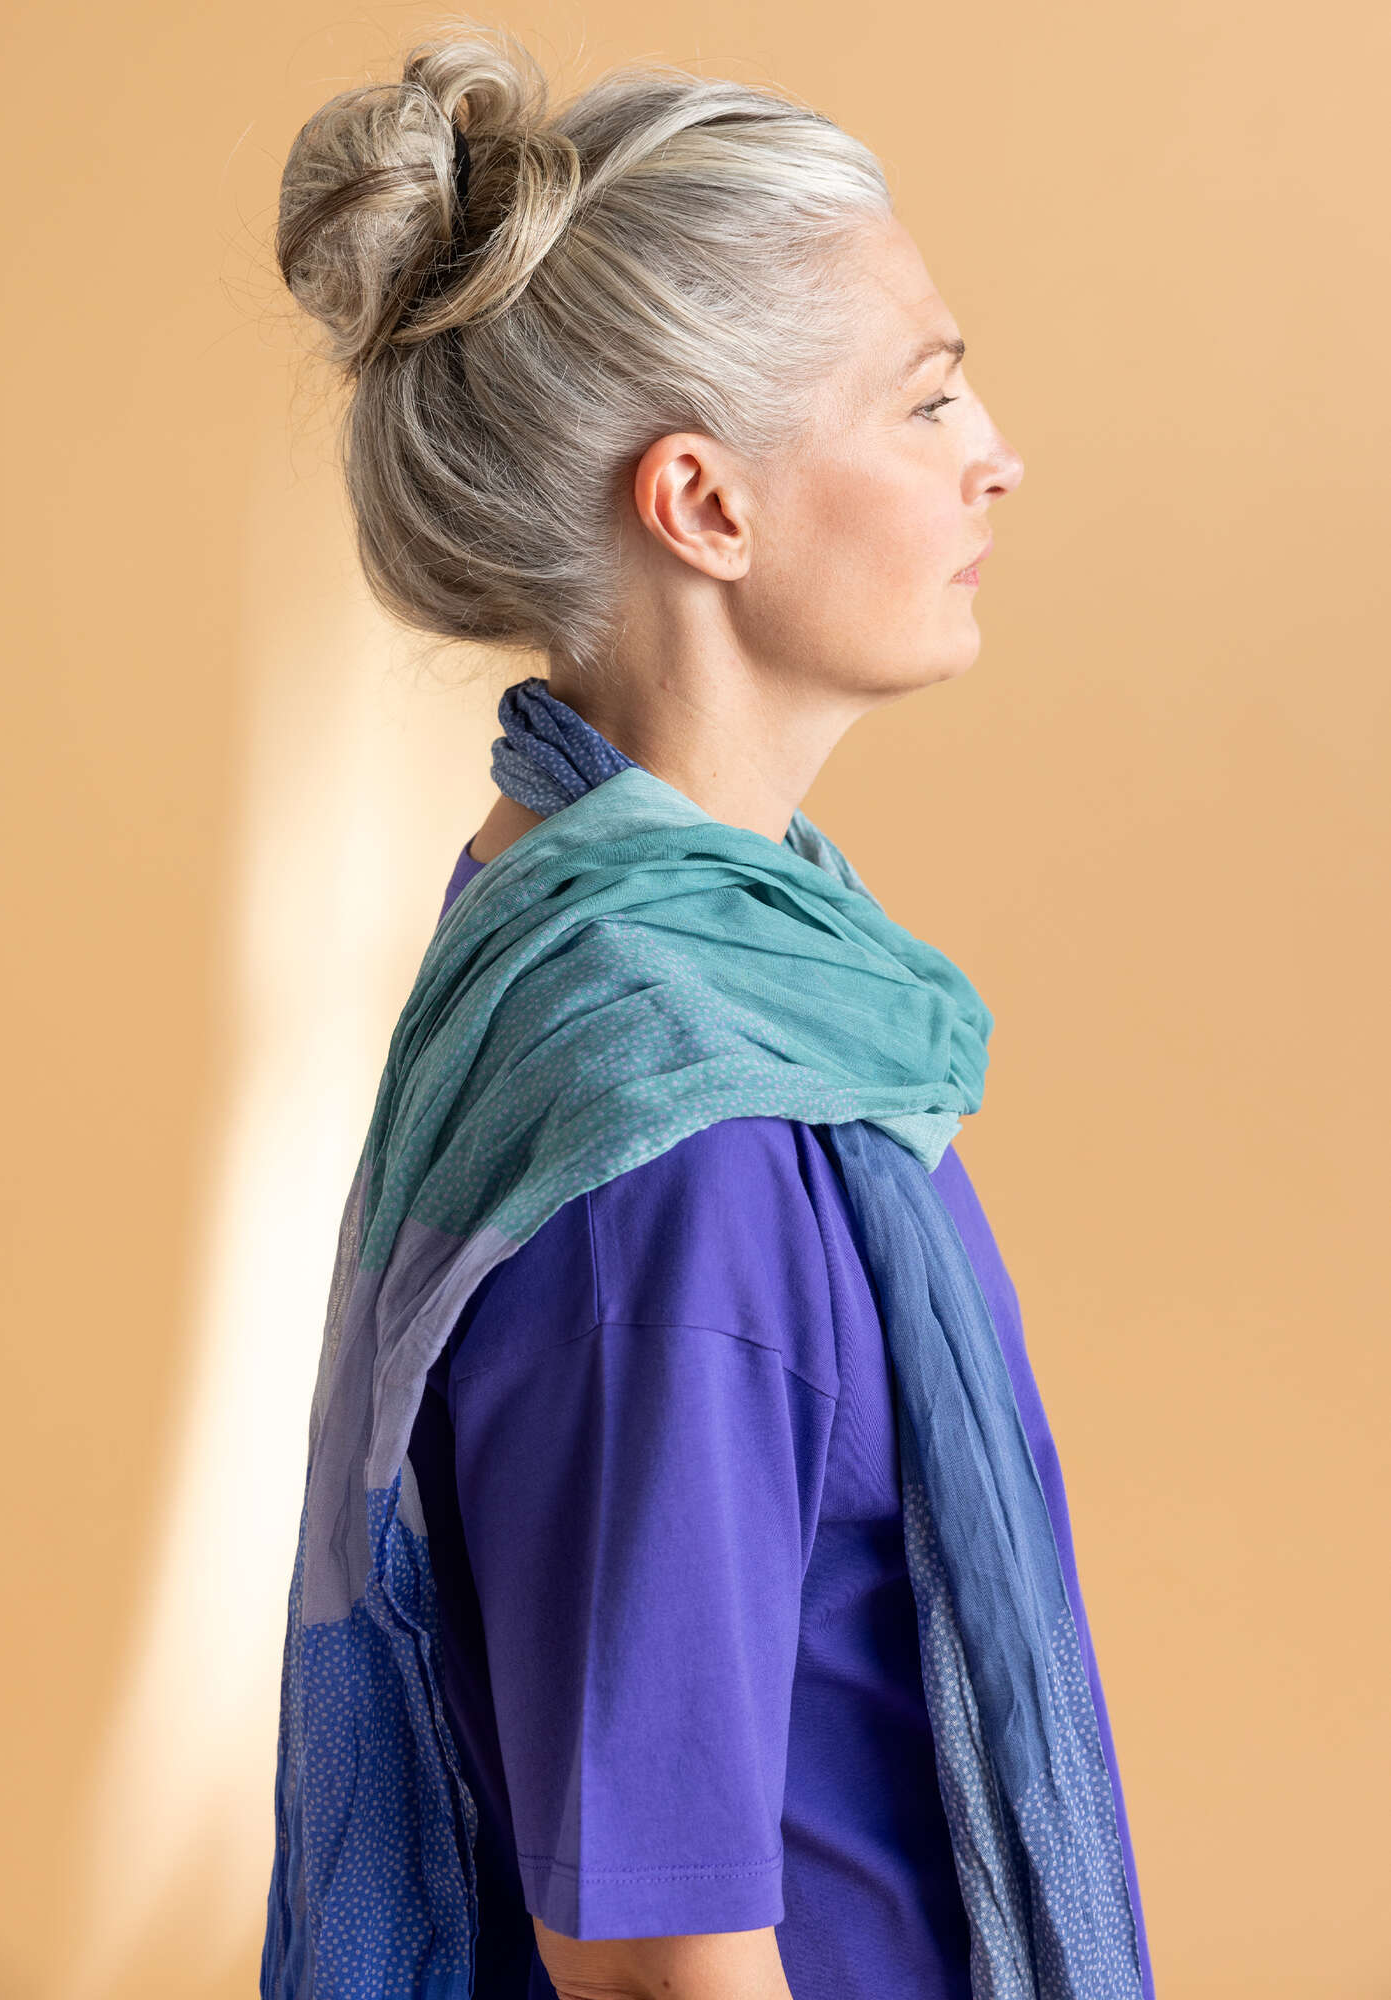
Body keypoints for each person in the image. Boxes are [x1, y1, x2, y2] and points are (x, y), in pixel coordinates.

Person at [269, 23, 1156, 2000]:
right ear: (705, 504)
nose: (996, 449)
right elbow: (657, 1961)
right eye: (927, 397)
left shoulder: (691, 986)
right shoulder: (679, 1149)